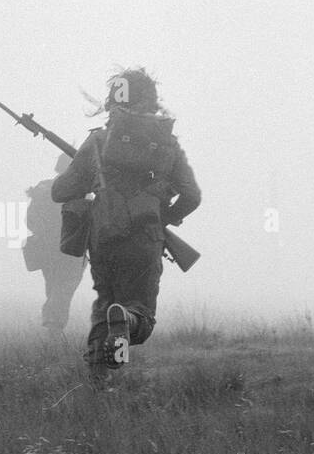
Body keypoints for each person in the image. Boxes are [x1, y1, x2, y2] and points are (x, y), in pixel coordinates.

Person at [51, 68, 200, 383]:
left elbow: (60, 192)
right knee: (138, 315)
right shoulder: (167, 144)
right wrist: (165, 217)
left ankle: (99, 384)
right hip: (145, 239)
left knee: (105, 305)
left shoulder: (97, 141)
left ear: (112, 100)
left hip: (104, 238)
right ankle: (128, 321)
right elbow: (192, 196)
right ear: (151, 100)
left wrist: (93, 178)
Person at [22, 153, 88, 330]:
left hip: (47, 249)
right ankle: (53, 325)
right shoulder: (81, 193)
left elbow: (29, 220)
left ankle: (51, 322)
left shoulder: (44, 189)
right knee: (64, 287)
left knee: (53, 287)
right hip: (71, 248)